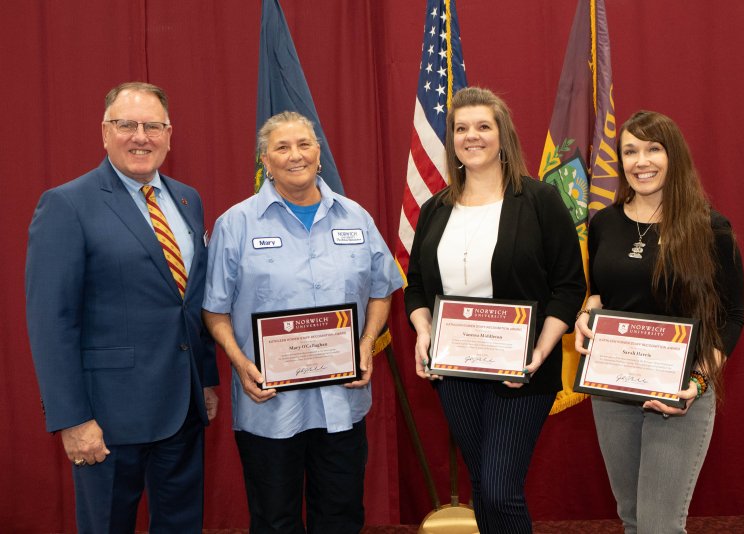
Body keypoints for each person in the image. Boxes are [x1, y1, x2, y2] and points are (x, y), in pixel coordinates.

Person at [25, 81, 219, 533]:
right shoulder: (66, 205)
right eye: (126, 125)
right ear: (104, 132)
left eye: (153, 126)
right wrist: (72, 417)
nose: (140, 136)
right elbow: (51, 321)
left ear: (170, 135)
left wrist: (206, 379)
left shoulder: (189, 200)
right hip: (108, 418)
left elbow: (191, 302)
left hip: (184, 408)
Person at [202, 111, 402, 534]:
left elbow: (383, 288)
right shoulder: (234, 225)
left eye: (304, 144)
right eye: (282, 147)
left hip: (342, 405)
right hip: (270, 407)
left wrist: (366, 342)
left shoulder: (356, 218)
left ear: (319, 154)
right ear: (265, 160)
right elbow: (214, 309)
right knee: (275, 521)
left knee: (342, 517)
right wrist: (239, 361)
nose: (296, 155)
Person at [404, 87, 586, 533]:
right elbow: (418, 288)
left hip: (522, 370)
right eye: (461, 129)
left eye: (483, 126)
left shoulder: (540, 201)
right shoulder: (433, 209)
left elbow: (569, 286)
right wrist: (423, 333)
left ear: (502, 136)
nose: (472, 136)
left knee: (501, 488)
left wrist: (540, 353)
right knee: (484, 487)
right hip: (455, 372)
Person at [574, 110, 744, 534]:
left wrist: (699, 383)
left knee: (660, 526)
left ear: (674, 157)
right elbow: (601, 293)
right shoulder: (605, 224)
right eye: (629, 151)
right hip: (612, 392)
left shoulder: (711, 227)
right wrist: (584, 315)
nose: (640, 161)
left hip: (680, 391)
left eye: (653, 149)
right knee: (633, 520)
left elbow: (731, 316)